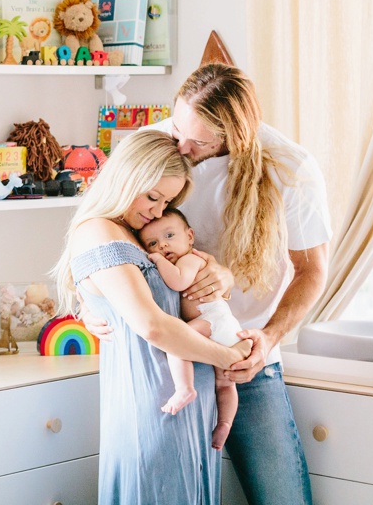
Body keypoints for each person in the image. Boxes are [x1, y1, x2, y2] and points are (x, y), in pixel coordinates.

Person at [87, 62, 330, 504]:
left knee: (281, 494)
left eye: (197, 141)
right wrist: (90, 304)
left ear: (235, 134)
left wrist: (267, 338)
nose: (181, 145)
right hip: (165, 358)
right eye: (177, 127)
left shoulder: (290, 167)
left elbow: (312, 270)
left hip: (244, 355)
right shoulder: (155, 147)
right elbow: (101, 232)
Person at [52, 130, 251, 504]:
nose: (158, 212)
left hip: (188, 403)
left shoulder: (134, 232)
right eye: (153, 197)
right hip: (154, 405)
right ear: (126, 177)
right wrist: (228, 358)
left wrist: (220, 276)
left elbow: (175, 297)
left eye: (167, 202)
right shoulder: (100, 232)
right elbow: (152, 326)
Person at [140, 208, 245, 450]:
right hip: (218, 324)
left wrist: (158, 260)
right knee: (225, 384)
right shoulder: (184, 259)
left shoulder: (190, 259)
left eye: (169, 236)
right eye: (153, 243)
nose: (162, 246)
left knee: (176, 342)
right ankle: (225, 423)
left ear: (189, 236)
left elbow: (178, 281)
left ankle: (185, 389)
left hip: (212, 319)